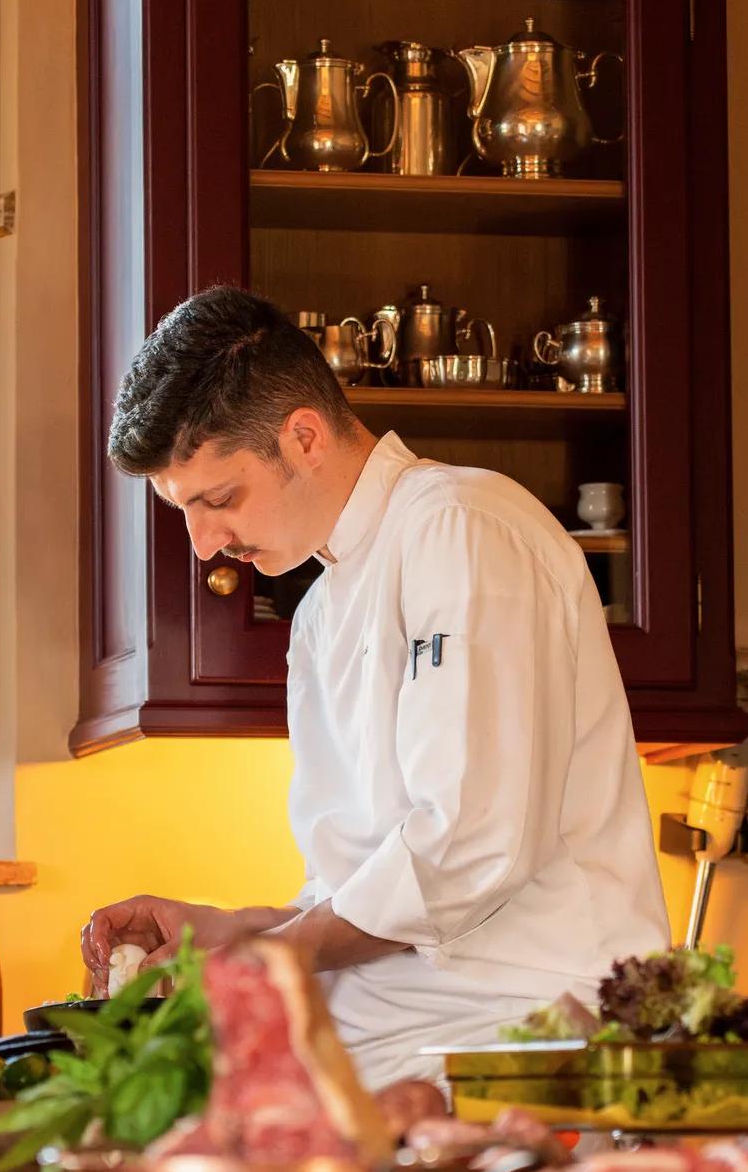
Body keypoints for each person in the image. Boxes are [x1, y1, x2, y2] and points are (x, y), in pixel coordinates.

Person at [81, 285, 668, 1088]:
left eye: (218, 500)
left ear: (303, 436)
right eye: (185, 512)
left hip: (520, 1052)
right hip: (392, 1055)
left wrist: (266, 960)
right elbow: (360, 895)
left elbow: (467, 844)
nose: (205, 544)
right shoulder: (321, 607)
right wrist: (226, 931)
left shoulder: (461, 527)